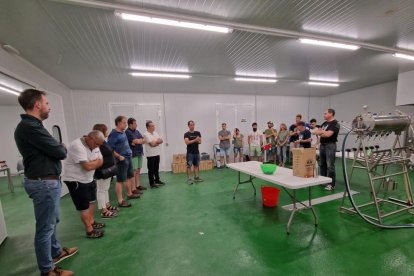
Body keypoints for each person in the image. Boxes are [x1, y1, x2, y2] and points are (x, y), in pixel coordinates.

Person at [14, 89, 77, 276]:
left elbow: (56, 149)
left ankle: (56, 252)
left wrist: (58, 147)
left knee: (52, 221)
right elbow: (60, 152)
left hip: (47, 182)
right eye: (47, 103)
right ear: (37, 105)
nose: (49, 107)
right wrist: (60, 147)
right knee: (45, 228)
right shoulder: (29, 128)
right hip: (43, 183)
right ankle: (47, 270)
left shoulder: (35, 125)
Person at [62, 130, 106, 239]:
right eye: (96, 144)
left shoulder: (95, 145)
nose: (97, 147)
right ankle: (89, 230)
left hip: (89, 178)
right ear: (90, 138)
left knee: (91, 202)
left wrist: (93, 163)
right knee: (84, 207)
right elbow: (87, 167)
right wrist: (94, 163)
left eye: (99, 145)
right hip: (76, 180)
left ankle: (91, 222)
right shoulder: (77, 146)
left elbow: (101, 161)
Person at [107, 116, 139, 208]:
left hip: (128, 157)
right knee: (120, 180)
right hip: (121, 159)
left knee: (129, 177)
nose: (126, 124)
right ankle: (120, 201)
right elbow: (110, 149)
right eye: (124, 122)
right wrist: (119, 156)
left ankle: (129, 194)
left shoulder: (123, 132)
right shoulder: (113, 134)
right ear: (118, 123)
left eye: (126, 122)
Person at [93, 124, 119, 219]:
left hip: (108, 170)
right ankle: (103, 211)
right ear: (101, 132)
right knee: (101, 190)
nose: (108, 132)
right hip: (102, 171)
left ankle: (107, 205)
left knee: (105, 189)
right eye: (106, 130)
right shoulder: (97, 144)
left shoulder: (103, 142)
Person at [314, 109, 340, 191]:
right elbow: (318, 133)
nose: (324, 115)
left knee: (330, 166)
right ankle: (323, 180)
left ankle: (331, 184)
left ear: (331, 114)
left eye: (325, 113)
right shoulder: (324, 123)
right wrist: (321, 134)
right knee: (322, 164)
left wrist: (320, 132)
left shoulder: (335, 124)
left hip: (330, 145)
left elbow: (328, 134)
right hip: (322, 145)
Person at [125, 118, 147, 193]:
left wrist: (139, 141)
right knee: (133, 171)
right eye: (135, 123)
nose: (136, 124)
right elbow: (136, 141)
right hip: (133, 153)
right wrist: (138, 141)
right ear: (130, 124)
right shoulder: (128, 132)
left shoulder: (137, 131)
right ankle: (133, 188)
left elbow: (144, 140)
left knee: (138, 170)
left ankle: (137, 185)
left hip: (139, 152)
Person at [143, 120, 166, 188]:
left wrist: (156, 142)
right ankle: (152, 183)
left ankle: (157, 180)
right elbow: (152, 144)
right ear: (148, 127)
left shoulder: (155, 133)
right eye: (152, 126)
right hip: (150, 155)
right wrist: (157, 141)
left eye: (154, 125)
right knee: (151, 169)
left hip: (157, 153)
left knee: (156, 168)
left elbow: (161, 140)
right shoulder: (146, 134)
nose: (154, 127)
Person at [184, 120, 203, 184]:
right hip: (190, 153)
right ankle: (189, 179)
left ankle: (196, 177)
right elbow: (187, 142)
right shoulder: (186, 134)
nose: (192, 126)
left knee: (196, 166)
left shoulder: (198, 133)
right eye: (191, 125)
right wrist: (195, 139)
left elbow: (200, 142)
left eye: (193, 125)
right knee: (189, 166)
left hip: (196, 152)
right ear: (188, 126)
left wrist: (193, 140)